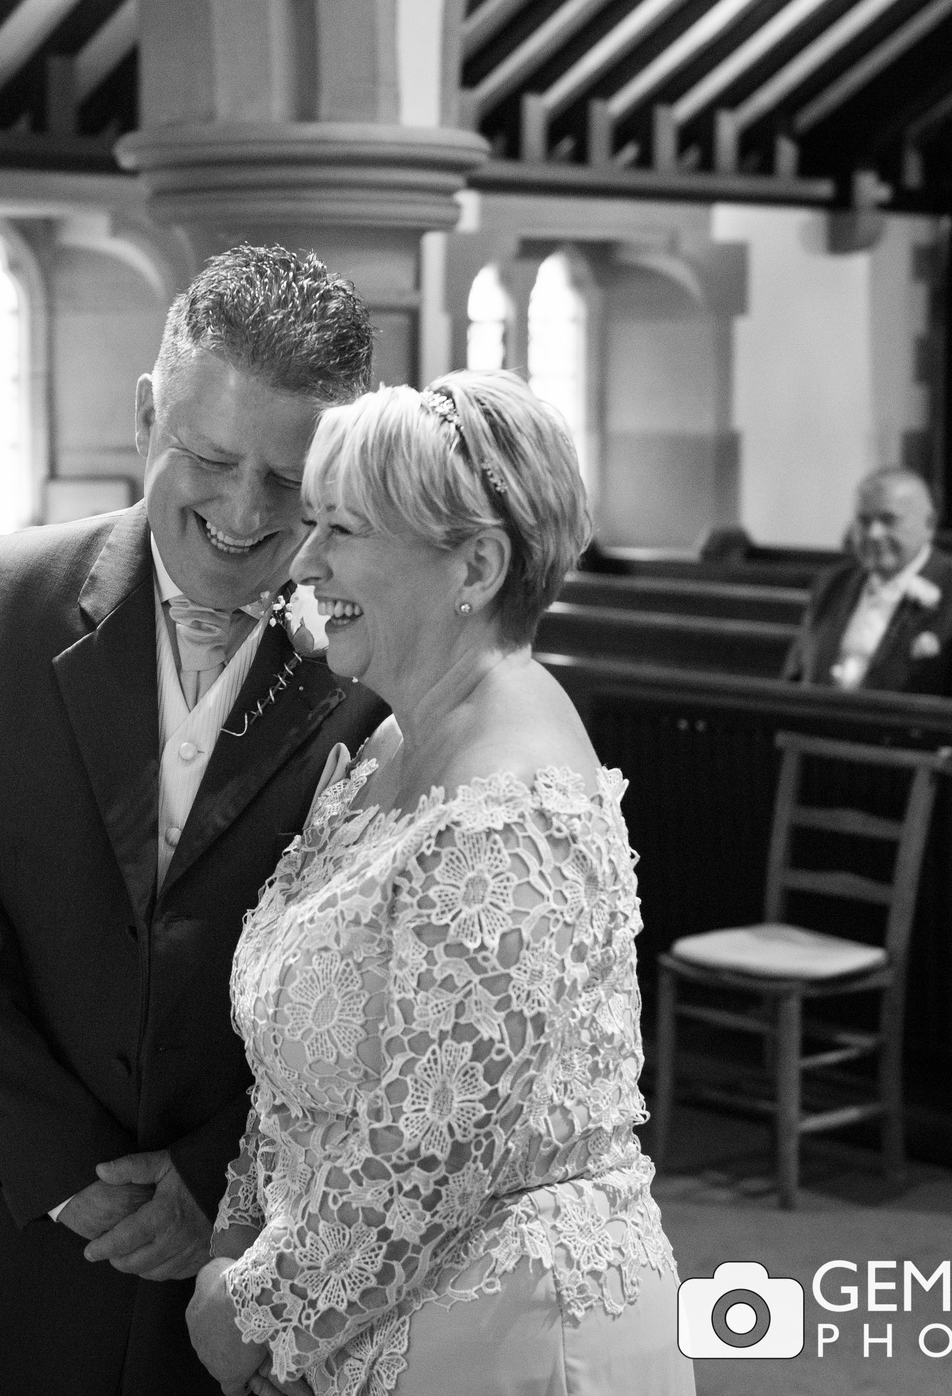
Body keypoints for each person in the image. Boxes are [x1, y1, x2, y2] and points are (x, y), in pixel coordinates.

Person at [0, 244, 390, 1396]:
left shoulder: (374, 659)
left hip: (243, 1245)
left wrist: (213, 1171)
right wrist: (66, 1168)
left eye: (289, 477)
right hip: (11, 1203)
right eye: (208, 457)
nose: (245, 513)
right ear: (147, 411)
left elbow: (377, 971)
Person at [188, 371, 692, 1396]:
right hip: (364, 1321)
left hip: (512, 1336)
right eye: (313, 522)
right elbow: (300, 1064)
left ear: (476, 563)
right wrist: (238, 1231)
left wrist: (250, 1311)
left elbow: (428, 1152)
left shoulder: (512, 809)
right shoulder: (383, 742)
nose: (307, 558)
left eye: (346, 530)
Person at [782, 467, 952, 700]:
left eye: (888, 520)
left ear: (929, 524)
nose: (874, 534)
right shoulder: (832, 583)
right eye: (863, 521)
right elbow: (796, 675)